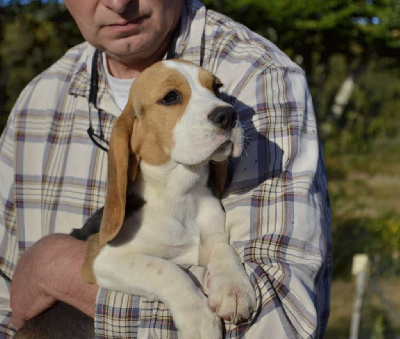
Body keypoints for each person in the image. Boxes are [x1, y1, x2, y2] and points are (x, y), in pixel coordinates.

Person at [0, 0, 332, 337]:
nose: (118, 3)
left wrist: (54, 268)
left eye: (215, 89)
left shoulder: (262, 76)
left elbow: (279, 319)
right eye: (172, 97)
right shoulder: (35, 100)